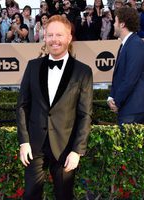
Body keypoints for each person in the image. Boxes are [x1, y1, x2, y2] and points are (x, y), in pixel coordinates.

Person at [16, 15, 93, 200]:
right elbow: (22, 106)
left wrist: (77, 151)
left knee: (64, 195)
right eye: (50, 35)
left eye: (59, 35)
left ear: (69, 38)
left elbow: (85, 115)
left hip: (65, 147)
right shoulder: (32, 66)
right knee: (31, 194)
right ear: (44, 37)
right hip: (35, 145)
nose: (54, 40)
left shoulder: (83, 71)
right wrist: (23, 141)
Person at [107, 7, 144, 125]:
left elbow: (130, 79)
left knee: (126, 143)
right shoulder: (126, 44)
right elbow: (120, 76)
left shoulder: (135, 44)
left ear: (122, 24)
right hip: (129, 107)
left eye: (115, 21)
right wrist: (111, 97)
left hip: (134, 108)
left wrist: (117, 101)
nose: (113, 24)